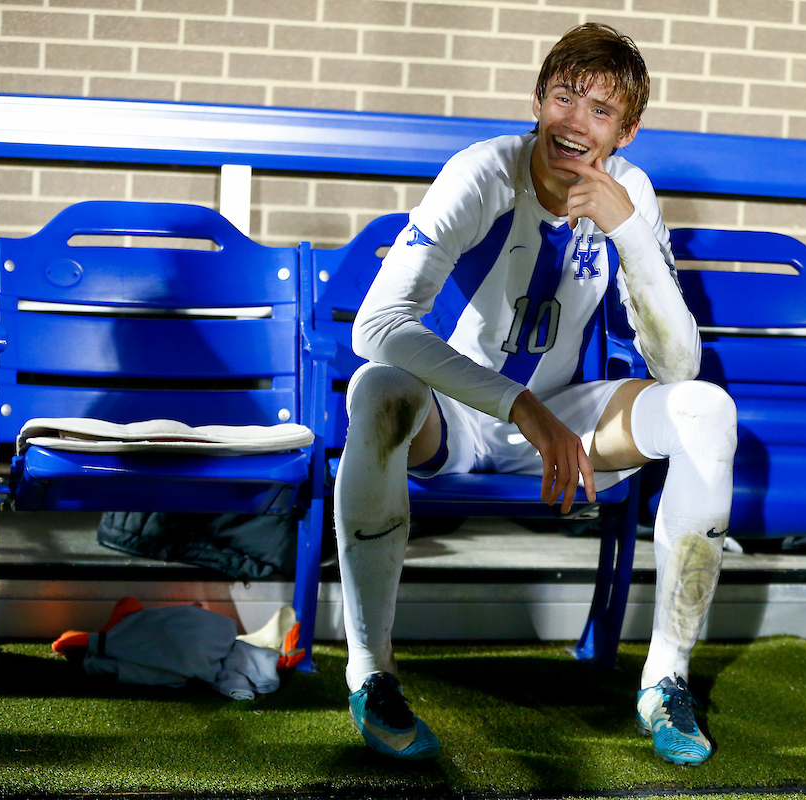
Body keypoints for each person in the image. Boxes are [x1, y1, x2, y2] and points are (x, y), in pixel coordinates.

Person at [335, 22, 737, 767]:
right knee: (379, 389)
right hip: (456, 414)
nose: (574, 123)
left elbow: (678, 365)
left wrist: (632, 237)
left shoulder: (632, 193)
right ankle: (371, 672)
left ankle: (665, 681)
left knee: (707, 410)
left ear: (627, 134)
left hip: (561, 425)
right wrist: (518, 405)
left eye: (600, 111)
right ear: (538, 99)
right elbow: (377, 325)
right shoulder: (482, 173)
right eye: (564, 96)